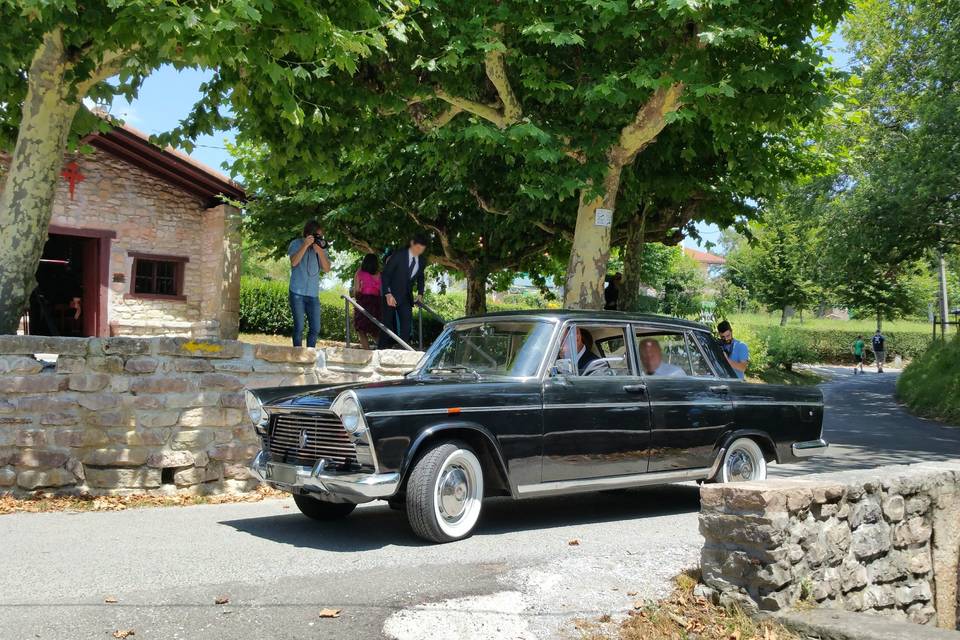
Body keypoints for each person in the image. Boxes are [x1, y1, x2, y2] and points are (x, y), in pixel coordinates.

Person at [377, 233, 428, 348]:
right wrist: (387, 294)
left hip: (406, 297)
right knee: (387, 325)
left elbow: (420, 277)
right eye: (418, 248)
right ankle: (380, 350)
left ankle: (403, 352)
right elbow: (385, 275)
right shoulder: (399, 255)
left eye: (422, 249)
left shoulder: (422, 261)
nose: (419, 251)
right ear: (412, 244)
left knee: (406, 326)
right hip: (391, 295)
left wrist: (420, 293)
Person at [287, 220, 332, 348]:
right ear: (309, 234)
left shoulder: (321, 248)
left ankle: (310, 354)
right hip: (297, 292)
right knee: (299, 327)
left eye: (321, 236)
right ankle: (298, 354)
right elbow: (294, 262)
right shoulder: (296, 243)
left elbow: (327, 268)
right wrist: (305, 245)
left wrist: (320, 252)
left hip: (313, 294)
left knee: (315, 328)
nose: (320, 238)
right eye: (317, 235)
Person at [352, 253, 381, 350]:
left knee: (361, 329)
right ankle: (382, 350)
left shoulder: (359, 273)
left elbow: (356, 290)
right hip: (377, 303)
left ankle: (366, 352)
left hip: (364, 301)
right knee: (374, 329)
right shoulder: (380, 274)